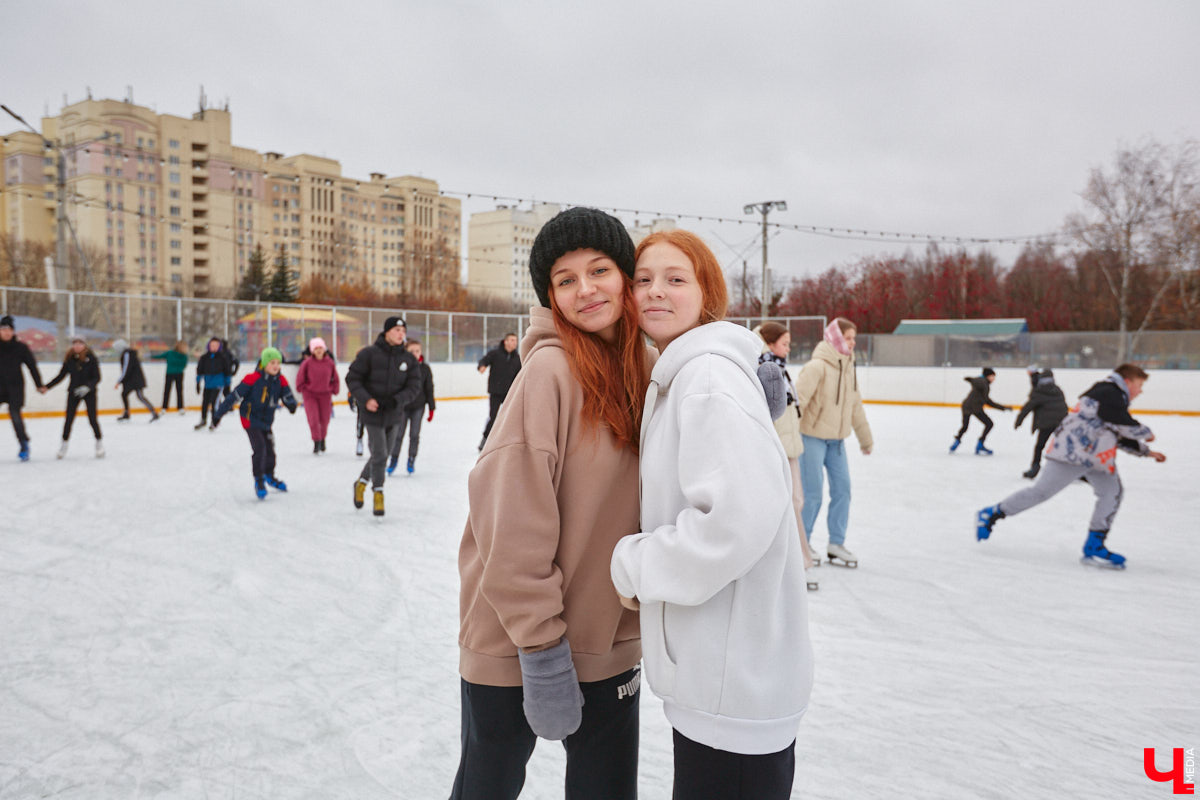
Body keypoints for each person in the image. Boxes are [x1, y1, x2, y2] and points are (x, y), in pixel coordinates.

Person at [452, 207, 651, 800]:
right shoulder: (549, 374)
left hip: (608, 635)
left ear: (625, 277)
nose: (585, 289)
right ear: (550, 296)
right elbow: (509, 527)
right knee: (488, 786)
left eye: (599, 270)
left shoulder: (648, 369)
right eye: (565, 280)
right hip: (518, 637)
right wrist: (540, 650)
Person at [610, 229, 812, 800]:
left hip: (732, 689)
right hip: (726, 679)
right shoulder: (689, 373)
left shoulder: (707, 380)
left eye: (676, 280)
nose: (655, 292)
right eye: (643, 280)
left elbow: (733, 522)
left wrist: (633, 565)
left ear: (707, 294)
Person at [976, 364, 1166, 568]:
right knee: (1041, 492)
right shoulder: (1109, 391)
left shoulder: (1112, 397)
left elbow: (1114, 429)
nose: (1140, 391)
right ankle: (993, 512)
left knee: (1112, 492)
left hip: (1096, 457)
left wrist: (1146, 451)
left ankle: (1095, 545)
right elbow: (1120, 421)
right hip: (1072, 453)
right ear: (1127, 381)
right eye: (1139, 385)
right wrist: (1145, 433)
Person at [794, 317, 873, 567]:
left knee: (843, 490)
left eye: (853, 339)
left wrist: (865, 438)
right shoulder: (817, 366)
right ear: (836, 338)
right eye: (848, 338)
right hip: (812, 438)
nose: (852, 343)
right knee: (812, 495)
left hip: (836, 443)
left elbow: (855, 405)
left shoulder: (848, 367)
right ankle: (801, 544)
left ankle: (836, 543)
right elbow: (798, 404)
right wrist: (787, 438)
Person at [757, 321, 819, 588]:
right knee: (790, 504)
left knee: (796, 502)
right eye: (785, 343)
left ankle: (799, 557)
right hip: (777, 449)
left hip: (790, 447)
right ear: (770, 343)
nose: (789, 348)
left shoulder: (781, 370)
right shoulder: (765, 370)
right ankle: (797, 561)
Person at [345, 316, 422, 517]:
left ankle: (360, 483)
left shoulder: (408, 359)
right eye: (397, 330)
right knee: (380, 454)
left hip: (394, 414)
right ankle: (378, 492)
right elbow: (352, 378)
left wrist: (398, 400)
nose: (401, 334)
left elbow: (414, 387)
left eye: (403, 331)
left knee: (383, 455)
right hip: (371, 414)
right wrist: (365, 400)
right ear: (387, 331)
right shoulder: (369, 354)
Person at [212, 347, 298, 499]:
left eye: (278, 363)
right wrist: (218, 414)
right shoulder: (252, 378)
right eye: (272, 362)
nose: (276, 366)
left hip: (266, 421)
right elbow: (233, 397)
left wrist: (291, 404)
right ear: (264, 364)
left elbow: (288, 395)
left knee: (270, 451)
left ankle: (269, 476)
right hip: (249, 419)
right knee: (260, 448)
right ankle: (259, 480)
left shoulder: (280, 380)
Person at [45, 336, 104, 459]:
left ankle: (99, 443)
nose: (77, 346)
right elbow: (61, 376)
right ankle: (64, 445)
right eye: (75, 343)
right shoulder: (70, 359)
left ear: (85, 345)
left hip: (89, 393)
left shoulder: (92, 358)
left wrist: (88, 387)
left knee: (92, 418)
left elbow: (97, 377)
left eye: (80, 343)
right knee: (69, 419)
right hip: (74, 392)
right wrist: (47, 387)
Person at [0, 314, 47, 461]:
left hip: (15, 387)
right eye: (3, 329)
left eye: (9, 330)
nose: (6, 332)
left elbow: (32, 367)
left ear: (13, 331)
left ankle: (24, 444)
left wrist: (39, 385)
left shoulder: (21, 348)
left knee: (15, 416)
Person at [387, 338, 435, 475]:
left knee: (414, 435)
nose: (415, 353)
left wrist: (432, 408)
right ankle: (393, 459)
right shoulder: (401, 366)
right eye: (412, 351)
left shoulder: (425, 369)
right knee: (398, 435)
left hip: (418, 407)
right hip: (402, 406)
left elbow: (429, 388)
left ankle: (411, 458)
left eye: (417, 351)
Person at [1014, 367, 1068, 479]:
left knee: (1039, 446)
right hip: (1061, 422)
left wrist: (1019, 420)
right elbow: (1064, 406)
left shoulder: (1038, 391)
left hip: (1046, 423)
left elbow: (1027, 407)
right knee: (1065, 445)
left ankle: (1035, 467)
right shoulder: (1058, 390)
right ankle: (1076, 469)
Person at [476, 332, 521, 451]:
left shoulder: (517, 358)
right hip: (495, 392)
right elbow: (484, 360)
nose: (514, 343)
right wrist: (482, 366)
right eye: (511, 340)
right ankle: (485, 440)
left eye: (515, 341)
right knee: (493, 417)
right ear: (505, 341)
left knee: (511, 418)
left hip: (509, 394)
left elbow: (521, 374)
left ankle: (508, 442)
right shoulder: (495, 353)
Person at [951, 367, 1010, 455]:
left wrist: (1003, 408)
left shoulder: (984, 383)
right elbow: (978, 383)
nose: (994, 379)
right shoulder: (983, 382)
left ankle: (957, 441)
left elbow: (987, 400)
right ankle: (980, 444)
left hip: (967, 406)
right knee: (989, 424)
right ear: (988, 376)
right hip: (974, 408)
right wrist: (972, 380)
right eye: (992, 376)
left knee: (965, 426)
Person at [295, 337, 339, 454]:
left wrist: (334, 389)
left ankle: (323, 438)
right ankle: (316, 442)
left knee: (324, 420)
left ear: (324, 349)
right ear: (312, 350)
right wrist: (302, 387)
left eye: (320, 348)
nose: (319, 350)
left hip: (325, 395)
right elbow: (300, 377)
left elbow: (335, 378)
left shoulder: (329, 363)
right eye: (316, 348)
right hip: (310, 395)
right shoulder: (307, 363)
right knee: (313, 419)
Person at [112, 339, 159, 422]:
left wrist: (119, 381)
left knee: (140, 396)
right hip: (130, 380)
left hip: (135, 380)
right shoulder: (127, 353)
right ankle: (127, 413)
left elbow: (126, 368)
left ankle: (154, 413)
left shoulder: (127, 354)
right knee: (124, 394)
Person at [195, 338, 226, 430]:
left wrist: (227, 383)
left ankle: (214, 421)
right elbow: (200, 370)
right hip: (207, 384)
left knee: (214, 403)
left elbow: (227, 370)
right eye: (212, 345)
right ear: (209, 346)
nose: (214, 347)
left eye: (216, 345)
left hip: (218, 384)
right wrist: (198, 382)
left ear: (219, 346)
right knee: (205, 402)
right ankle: (203, 419)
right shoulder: (204, 358)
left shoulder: (222, 357)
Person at [151, 340, 188, 414]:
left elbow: (184, 365)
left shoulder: (184, 356)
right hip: (170, 374)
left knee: (179, 391)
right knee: (167, 391)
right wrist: (150, 356)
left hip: (179, 374)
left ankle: (180, 407)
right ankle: (164, 407)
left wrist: (178, 368)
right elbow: (160, 356)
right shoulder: (170, 353)